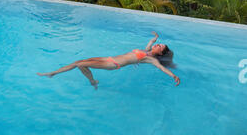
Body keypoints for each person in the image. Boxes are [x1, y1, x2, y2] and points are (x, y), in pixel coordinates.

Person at [37, 32, 180, 89]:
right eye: (158, 43)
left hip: (113, 64)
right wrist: (155, 37)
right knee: (79, 62)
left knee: (79, 64)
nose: (157, 44)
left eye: (159, 46)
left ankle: (53, 73)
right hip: (109, 58)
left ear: (160, 52)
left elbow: (162, 68)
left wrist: (173, 76)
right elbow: (150, 41)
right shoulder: (146, 50)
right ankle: (92, 81)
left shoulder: (150, 59)